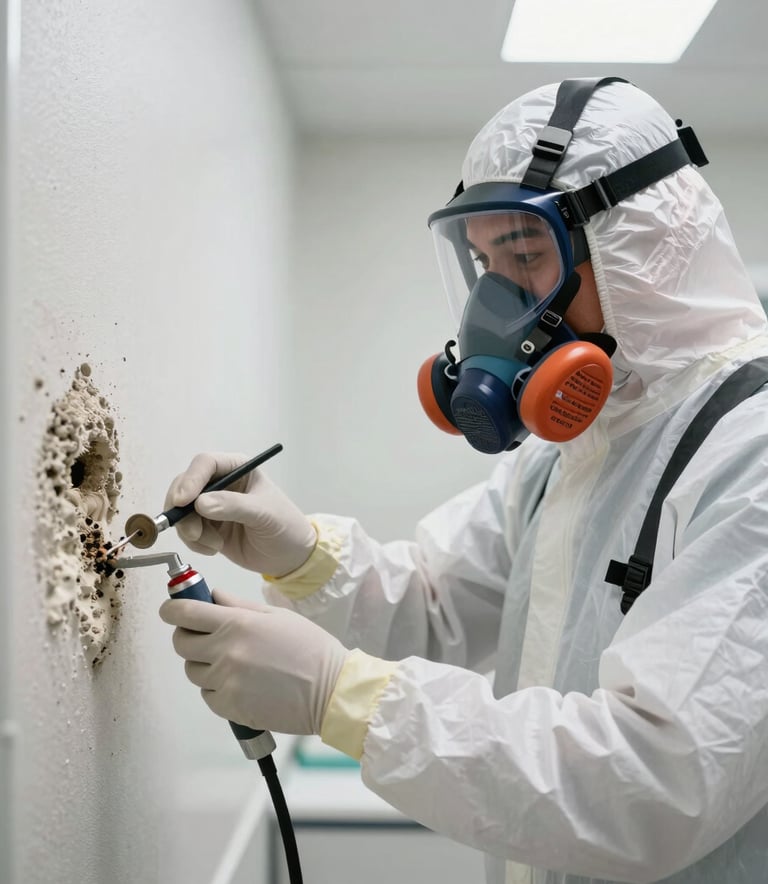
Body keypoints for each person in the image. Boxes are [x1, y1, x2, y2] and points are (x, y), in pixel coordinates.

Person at [158, 77, 768, 883]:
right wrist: (298, 550)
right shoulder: (575, 450)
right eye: (483, 264)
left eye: (523, 255)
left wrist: (340, 696)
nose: (495, 303)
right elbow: (441, 606)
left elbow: (652, 782)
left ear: (639, 246)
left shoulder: (748, 453)